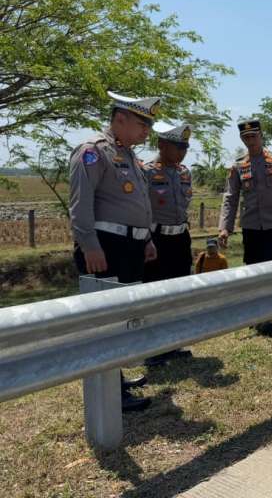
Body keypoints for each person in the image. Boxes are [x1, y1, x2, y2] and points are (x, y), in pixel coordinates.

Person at [69, 90, 160, 412]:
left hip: (131, 246)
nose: (146, 132)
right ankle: (111, 394)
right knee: (105, 321)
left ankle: (116, 378)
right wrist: (90, 246)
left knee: (120, 317)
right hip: (106, 248)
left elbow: (136, 203)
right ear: (120, 118)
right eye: (141, 124)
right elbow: (80, 206)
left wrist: (146, 239)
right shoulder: (93, 152)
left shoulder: (130, 156)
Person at [218, 120, 272, 336]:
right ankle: (259, 316)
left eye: (254, 136)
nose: (250, 140)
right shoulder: (238, 166)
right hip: (251, 229)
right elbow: (230, 198)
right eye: (246, 137)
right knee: (253, 272)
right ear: (242, 139)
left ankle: (268, 314)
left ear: (261, 136)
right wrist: (225, 227)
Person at [142, 121, 195, 365]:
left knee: (178, 292)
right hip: (157, 240)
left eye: (185, 147)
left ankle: (172, 343)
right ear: (161, 145)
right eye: (177, 146)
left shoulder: (185, 172)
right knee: (155, 293)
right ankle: (153, 350)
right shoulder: (147, 171)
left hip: (180, 238)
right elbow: (141, 209)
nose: (182, 151)